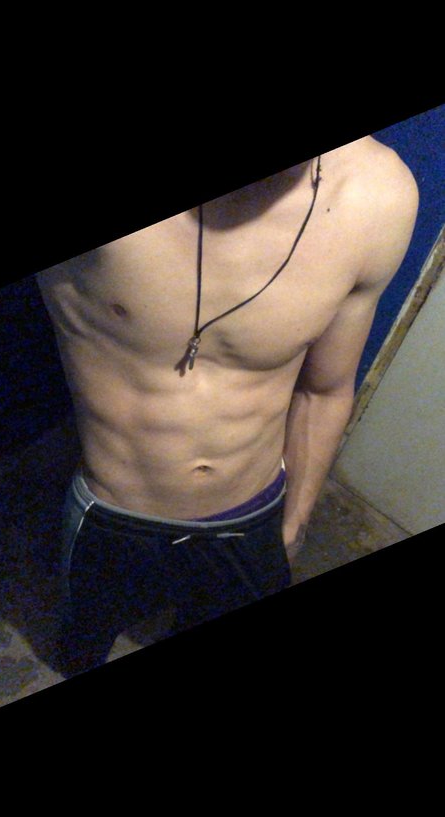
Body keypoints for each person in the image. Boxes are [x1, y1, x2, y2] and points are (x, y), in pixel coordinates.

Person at [36, 136, 419, 676]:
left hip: (256, 512)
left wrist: (294, 524)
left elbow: (324, 391)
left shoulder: (376, 194)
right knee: (79, 652)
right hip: (113, 514)